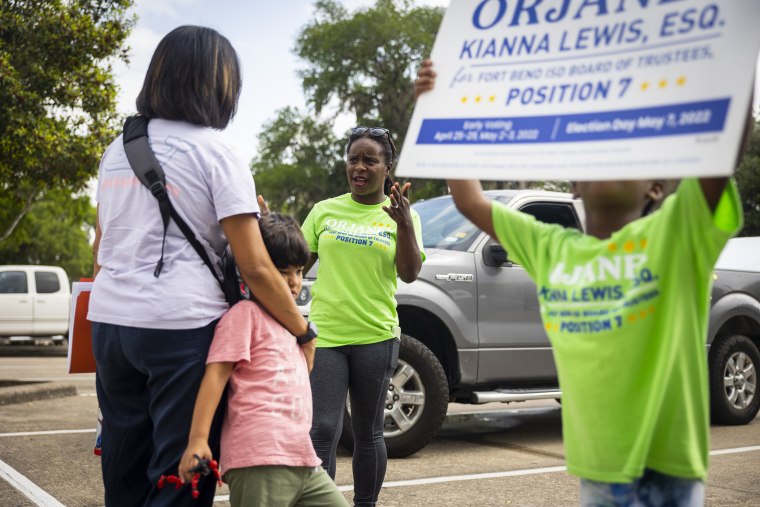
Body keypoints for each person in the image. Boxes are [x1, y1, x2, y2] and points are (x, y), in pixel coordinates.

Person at [415, 60, 746, 505]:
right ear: (575, 184)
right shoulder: (552, 247)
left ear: (656, 188)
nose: (608, 159)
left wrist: (732, 62)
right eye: (597, 153)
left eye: (624, 153)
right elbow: (468, 199)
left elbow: (720, 154)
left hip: (671, 471)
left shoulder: (676, 232)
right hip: (599, 474)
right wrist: (438, 107)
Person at [89, 26, 314, 507]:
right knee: (179, 478)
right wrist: (301, 328)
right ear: (217, 83)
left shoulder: (116, 151)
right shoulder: (217, 152)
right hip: (180, 327)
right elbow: (254, 265)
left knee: (123, 471)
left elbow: (100, 247)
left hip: (110, 325)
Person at [178, 213, 348, 507]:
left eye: (298, 271)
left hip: (302, 458)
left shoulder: (293, 326)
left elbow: (300, 376)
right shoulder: (244, 317)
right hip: (259, 457)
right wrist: (198, 440)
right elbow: (216, 377)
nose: (293, 282)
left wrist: (307, 343)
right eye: (282, 271)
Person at [302, 126, 425, 506]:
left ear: (387, 167)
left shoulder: (404, 216)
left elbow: (409, 272)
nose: (359, 167)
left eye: (370, 160)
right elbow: (294, 262)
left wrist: (403, 222)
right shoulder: (324, 211)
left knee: (368, 432)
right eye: (353, 159)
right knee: (322, 428)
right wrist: (269, 231)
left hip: (376, 336)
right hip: (327, 336)